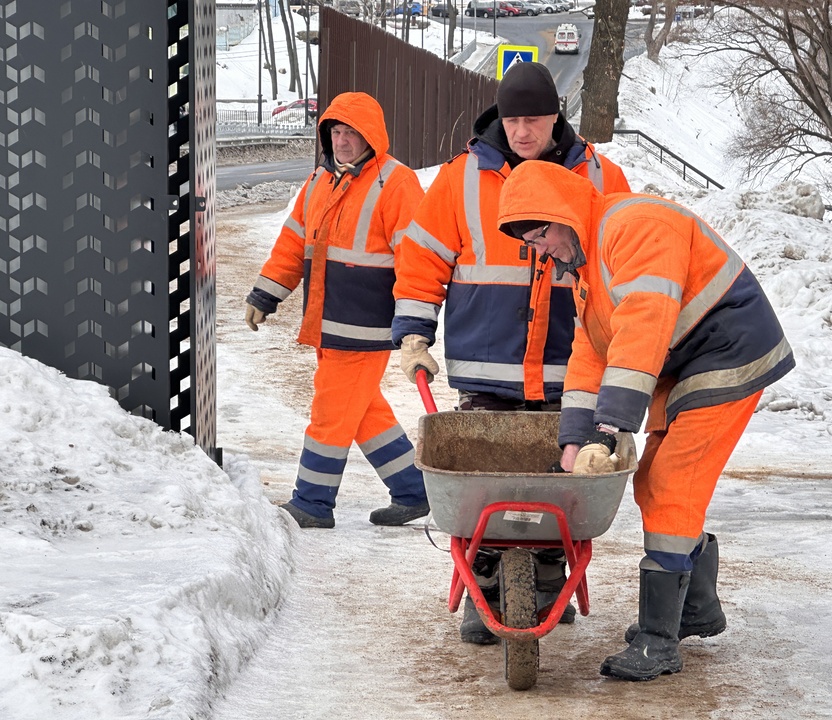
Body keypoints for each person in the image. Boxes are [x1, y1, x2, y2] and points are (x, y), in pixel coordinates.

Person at [497, 160, 796, 681]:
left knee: (671, 484)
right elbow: (591, 353)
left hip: (727, 351)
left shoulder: (633, 227)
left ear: (564, 213)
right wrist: (574, 440)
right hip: (688, 362)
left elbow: (641, 331)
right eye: (530, 242)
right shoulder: (587, 264)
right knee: (652, 484)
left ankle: (659, 641)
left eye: (540, 234)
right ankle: (695, 610)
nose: (540, 250)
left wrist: (611, 427)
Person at [391, 62, 632, 645]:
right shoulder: (461, 177)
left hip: (569, 365)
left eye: (535, 119)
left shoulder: (601, 175)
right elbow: (424, 256)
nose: (523, 131)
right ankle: (485, 584)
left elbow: (622, 257)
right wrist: (415, 332)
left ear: (557, 117)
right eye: (514, 119)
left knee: (563, 475)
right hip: (486, 362)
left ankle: (551, 579)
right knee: (485, 489)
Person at [244, 91, 429, 530]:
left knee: (330, 412)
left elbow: (415, 259)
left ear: (371, 136)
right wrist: (265, 294)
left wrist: (412, 324)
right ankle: (414, 489)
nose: (343, 141)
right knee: (362, 411)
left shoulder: (396, 183)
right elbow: (293, 244)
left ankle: (312, 501)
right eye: (336, 132)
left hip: (366, 325)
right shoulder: (320, 182)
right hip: (328, 321)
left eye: (351, 133)